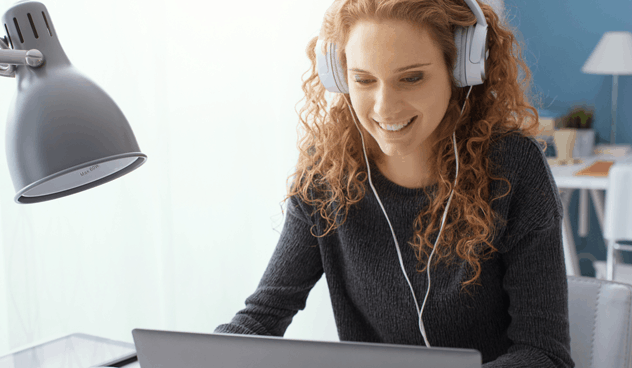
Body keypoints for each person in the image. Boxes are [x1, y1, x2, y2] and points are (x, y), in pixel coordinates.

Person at [215, 0, 573, 366]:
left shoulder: (513, 168)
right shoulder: (327, 172)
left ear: (460, 69)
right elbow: (263, 315)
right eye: (364, 80)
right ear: (339, 77)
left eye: (412, 77)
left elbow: (545, 354)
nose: (384, 107)